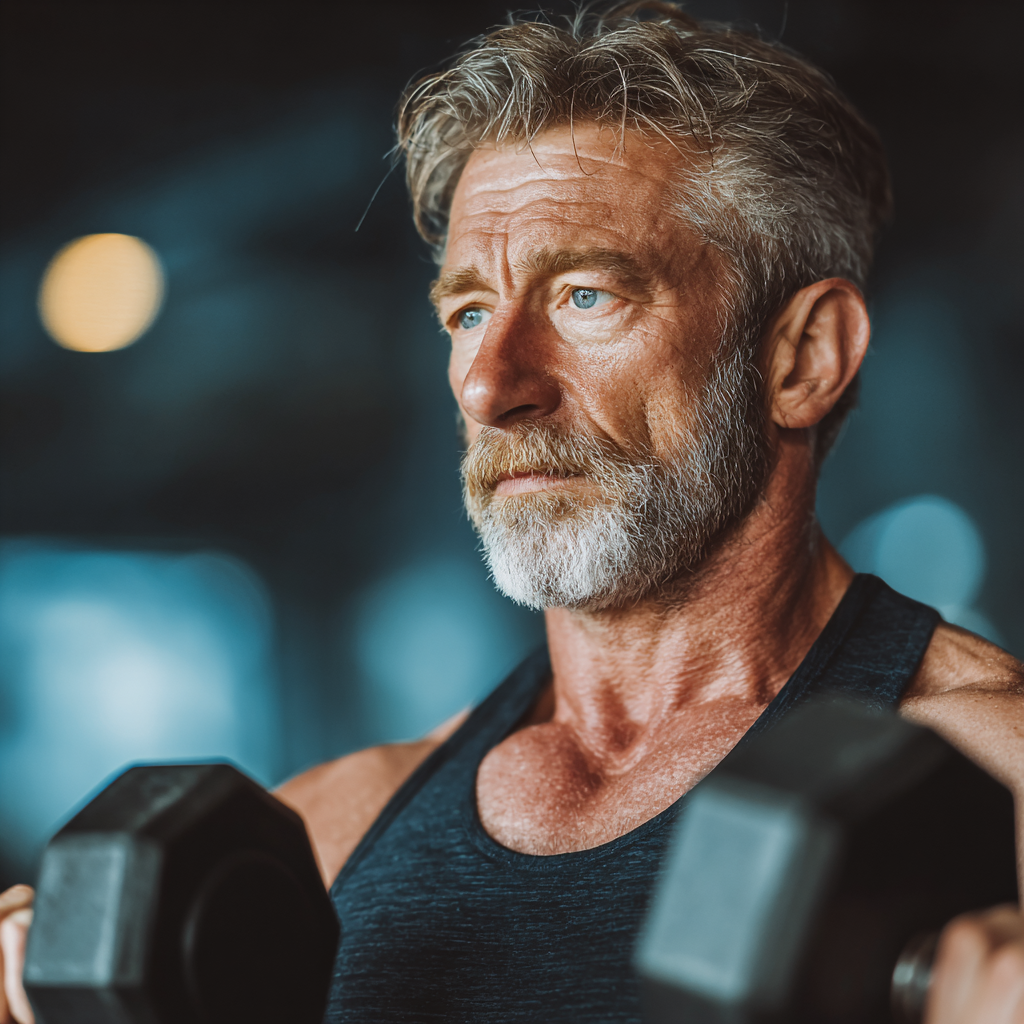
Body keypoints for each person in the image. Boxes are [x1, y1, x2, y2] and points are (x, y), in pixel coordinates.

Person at [3, 4, 1024, 1022]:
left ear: (802, 357)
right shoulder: (325, 840)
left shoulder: (998, 780)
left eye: (585, 296)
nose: (492, 386)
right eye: (469, 313)